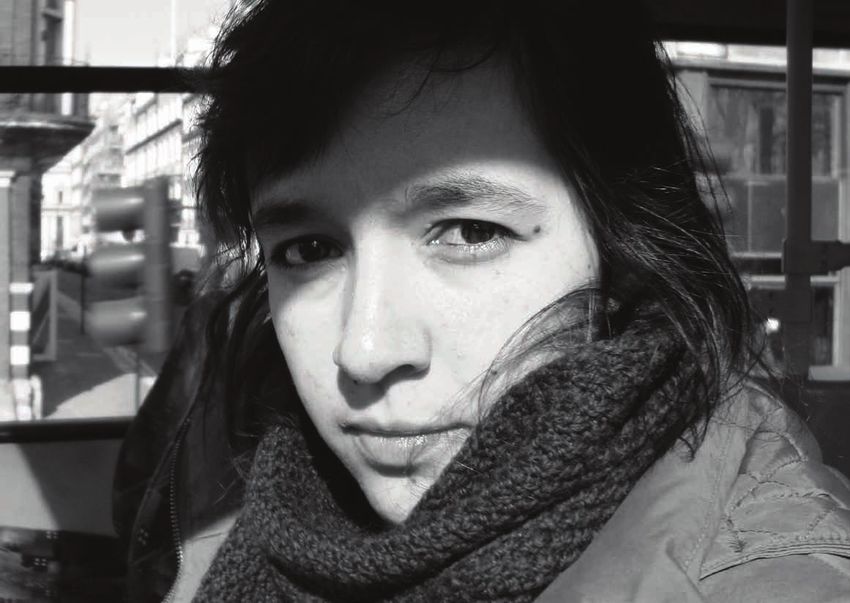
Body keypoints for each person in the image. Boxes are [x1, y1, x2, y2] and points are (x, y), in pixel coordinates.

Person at [113, 1, 850, 601]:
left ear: (623, 254)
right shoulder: (235, 530)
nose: (365, 351)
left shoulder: (765, 578)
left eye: (470, 232)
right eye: (309, 250)